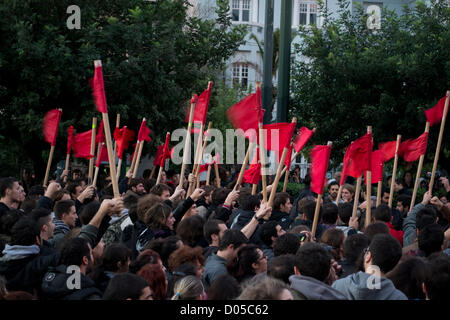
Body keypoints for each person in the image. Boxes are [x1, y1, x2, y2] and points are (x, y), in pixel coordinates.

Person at [332, 234, 407, 300]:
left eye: (366, 251)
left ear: (368, 256)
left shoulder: (338, 286)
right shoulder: (399, 297)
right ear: (394, 266)